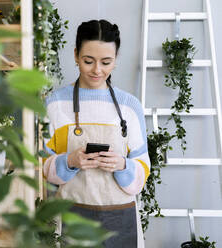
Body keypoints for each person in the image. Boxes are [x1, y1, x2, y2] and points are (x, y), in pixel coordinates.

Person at [43, 19, 150, 248]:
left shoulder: (130, 107)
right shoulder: (54, 104)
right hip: (71, 218)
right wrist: (70, 161)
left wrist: (123, 165)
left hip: (121, 221)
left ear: (116, 60)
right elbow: (41, 167)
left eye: (106, 62)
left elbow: (142, 170)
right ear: (75, 55)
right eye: (88, 61)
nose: (97, 70)